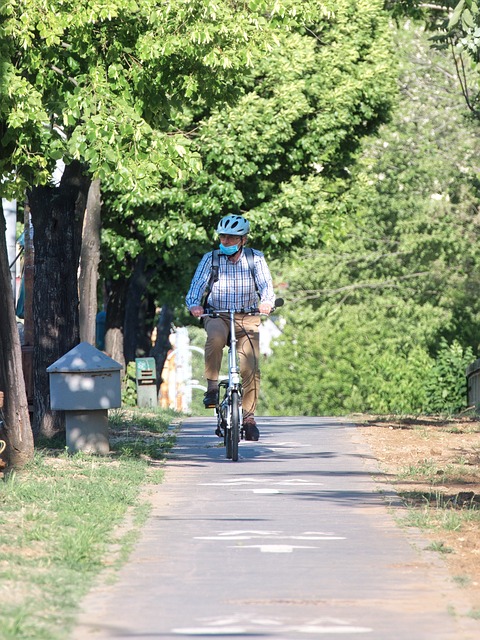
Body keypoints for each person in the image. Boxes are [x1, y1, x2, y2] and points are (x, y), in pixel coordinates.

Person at [186, 214, 276, 441]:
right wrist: (195, 305)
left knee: (250, 365)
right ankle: (212, 387)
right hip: (218, 314)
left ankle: (248, 417)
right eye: (222, 237)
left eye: (231, 238)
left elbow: (266, 286)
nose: (225, 241)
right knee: (215, 339)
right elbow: (196, 286)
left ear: (243, 240)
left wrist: (266, 303)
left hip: (247, 316)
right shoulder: (211, 259)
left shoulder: (256, 259)